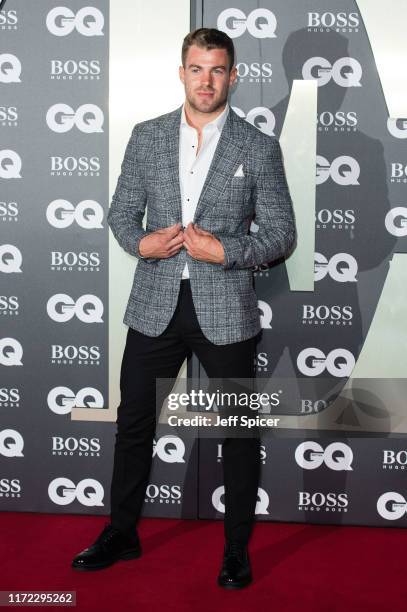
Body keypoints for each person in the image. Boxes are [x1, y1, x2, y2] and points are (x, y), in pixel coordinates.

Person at [71, 27, 295, 589]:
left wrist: (227, 250)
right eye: (197, 68)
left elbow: (281, 233)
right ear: (181, 72)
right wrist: (140, 242)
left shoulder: (257, 146)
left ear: (233, 75)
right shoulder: (146, 137)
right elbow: (121, 214)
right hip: (154, 304)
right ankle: (122, 532)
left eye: (218, 69)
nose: (206, 80)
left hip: (226, 308)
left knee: (238, 434)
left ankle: (236, 549)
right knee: (133, 426)